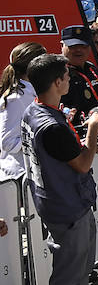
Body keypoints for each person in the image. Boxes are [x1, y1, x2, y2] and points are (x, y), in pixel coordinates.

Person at [21, 54, 98, 285]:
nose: (70, 79)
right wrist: (92, 130)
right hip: (65, 205)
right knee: (68, 275)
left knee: (81, 267)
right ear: (56, 82)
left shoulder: (35, 112)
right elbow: (82, 164)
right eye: (66, 75)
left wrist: (88, 144)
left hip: (66, 201)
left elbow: (70, 156)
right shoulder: (50, 124)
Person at [0, 43, 44, 181]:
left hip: (33, 171)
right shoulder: (16, 98)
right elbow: (8, 142)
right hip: (18, 175)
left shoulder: (33, 91)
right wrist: (42, 138)